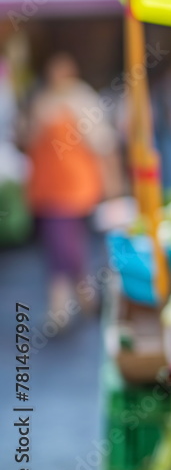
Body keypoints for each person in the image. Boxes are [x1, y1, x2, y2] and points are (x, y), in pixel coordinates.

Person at [26, 53, 116, 324]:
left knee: (65, 244)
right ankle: (82, 297)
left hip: (76, 188)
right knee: (62, 245)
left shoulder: (82, 100)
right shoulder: (42, 102)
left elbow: (102, 144)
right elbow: (30, 141)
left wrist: (112, 181)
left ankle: (65, 304)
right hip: (49, 190)